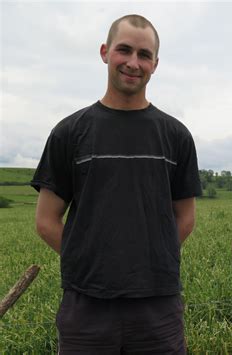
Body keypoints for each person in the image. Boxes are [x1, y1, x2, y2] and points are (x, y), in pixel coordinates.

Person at [31, 14, 202, 354]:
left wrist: (150, 259)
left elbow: (185, 217)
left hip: (158, 306)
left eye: (144, 55)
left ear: (155, 64)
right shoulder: (70, 133)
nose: (133, 63)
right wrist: (89, 261)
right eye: (124, 50)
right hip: (86, 308)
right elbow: (46, 220)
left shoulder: (175, 136)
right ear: (105, 52)